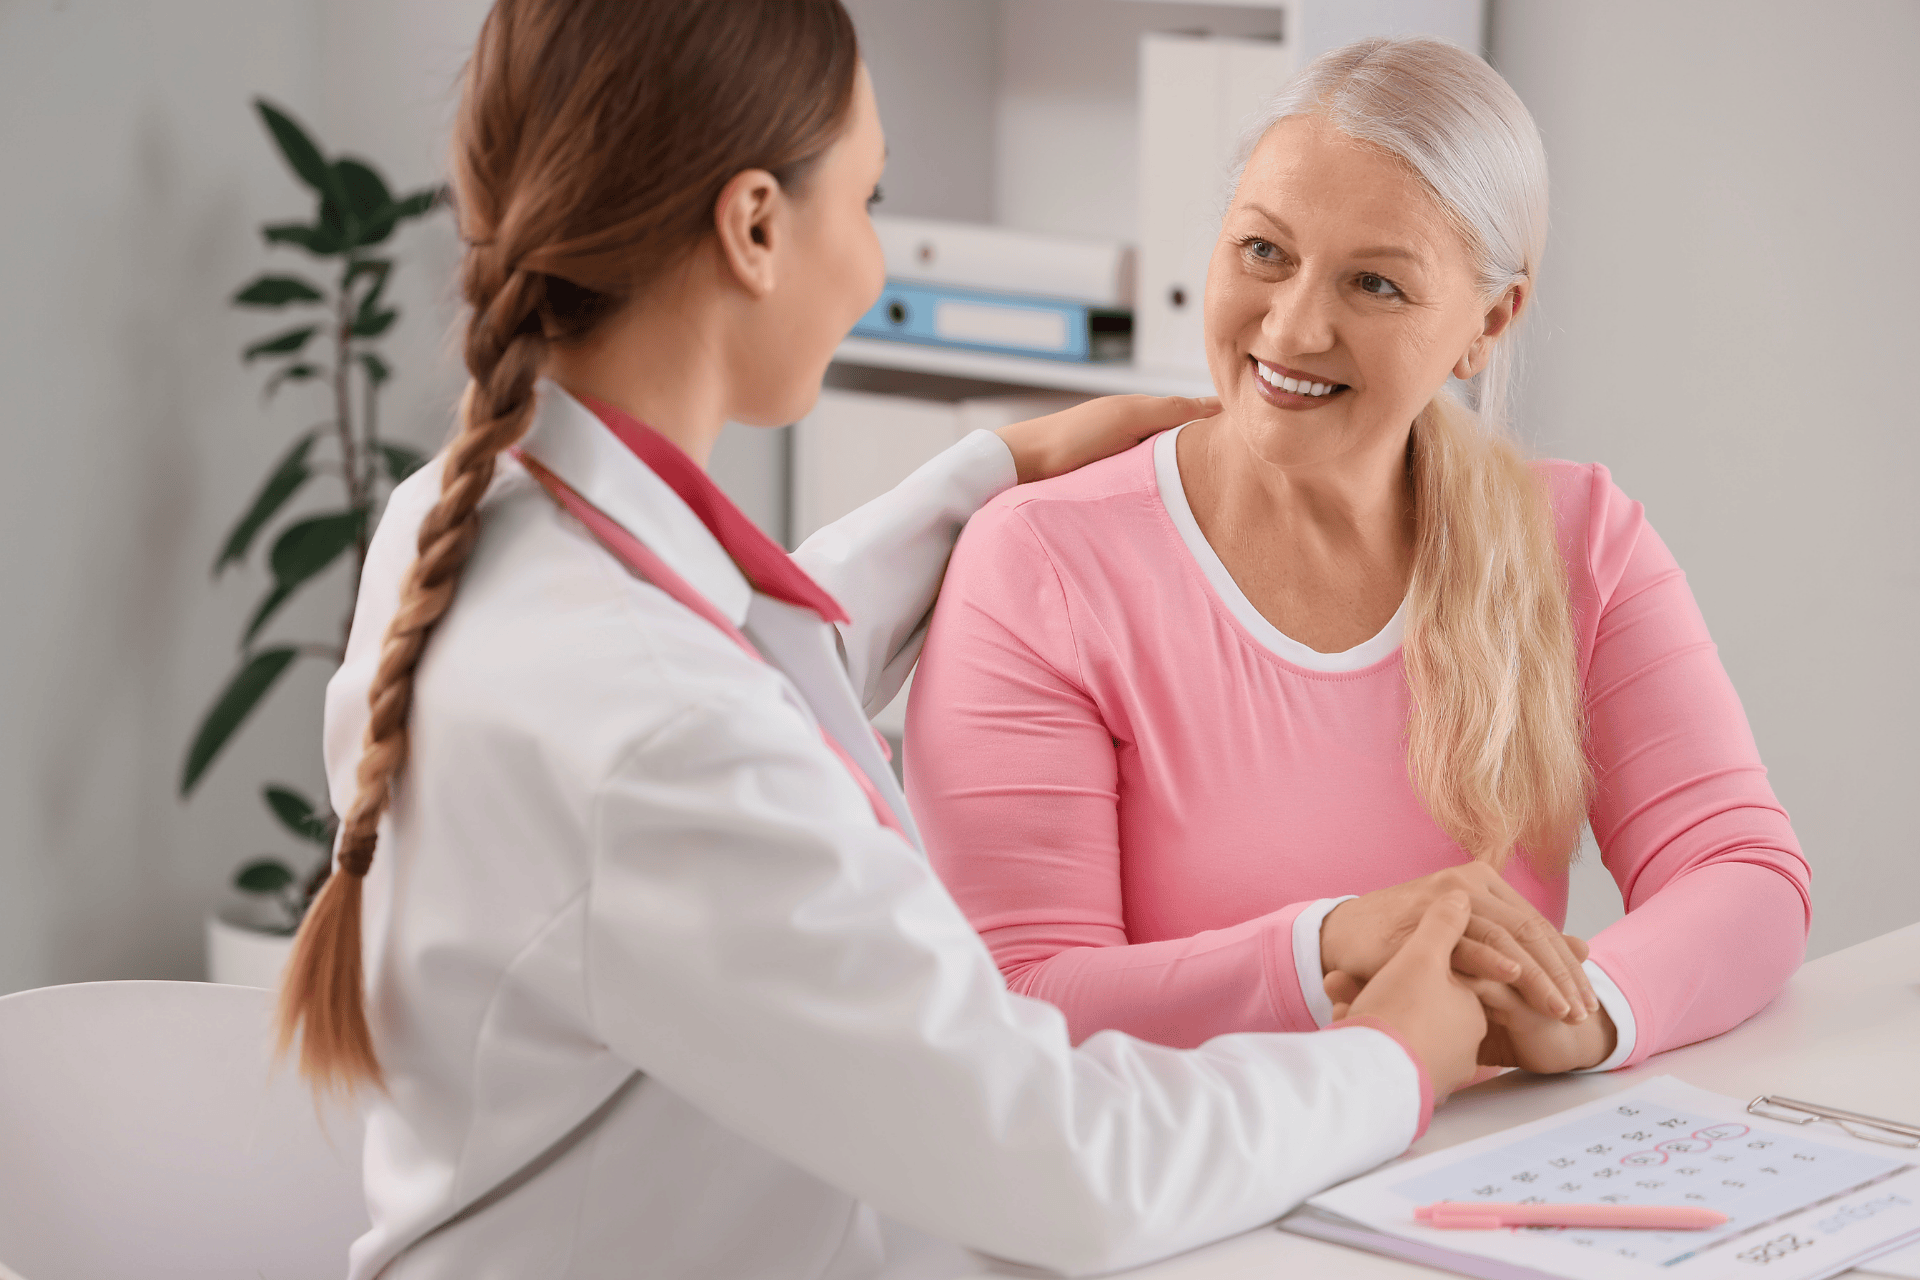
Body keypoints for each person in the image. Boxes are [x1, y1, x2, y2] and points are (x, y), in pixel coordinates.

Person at [274, 5, 1492, 1277]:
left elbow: (738, 671)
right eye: (867, 200)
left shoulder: (470, 523)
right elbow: (1068, 1164)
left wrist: (990, 468)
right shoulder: (657, 735)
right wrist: (1388, 1060)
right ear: (755, 227)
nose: (872, 261)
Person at [908, 36, 1811, 1079]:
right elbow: (1023, 995)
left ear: (1486, 323)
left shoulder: (1577, 539)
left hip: (1465, 1190)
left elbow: (1743, 867)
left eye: (1375, 283)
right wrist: (1330, 945)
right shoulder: (1042, 567)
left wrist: (1597, 1005)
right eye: (1262, 252)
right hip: (1186, 1216)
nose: (1292, 326)